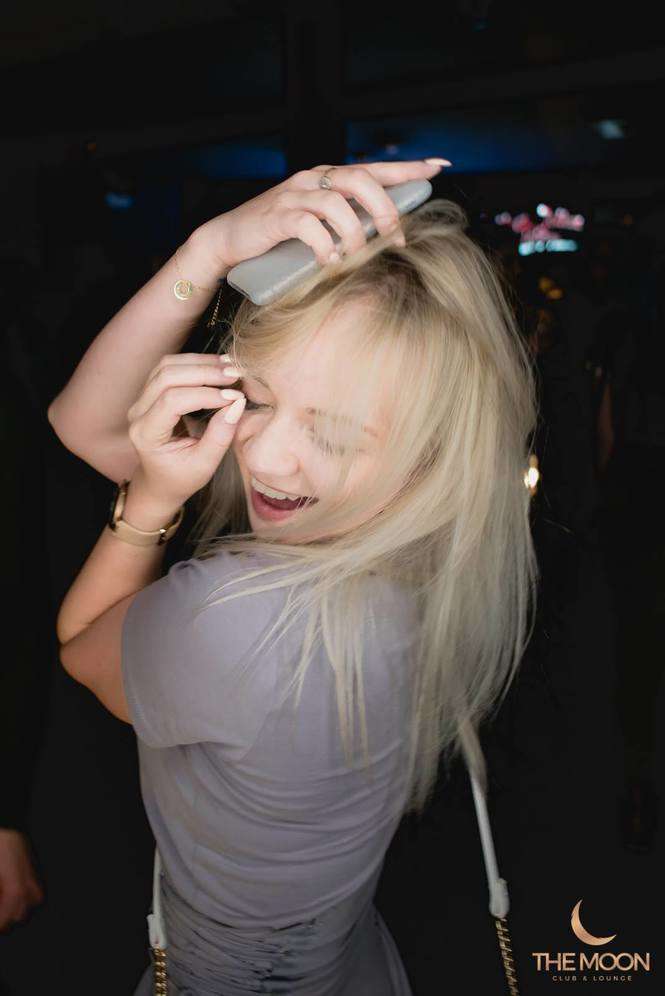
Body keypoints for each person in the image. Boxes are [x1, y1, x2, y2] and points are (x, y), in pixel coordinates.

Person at [48, 159, 538, 996]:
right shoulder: (433, 540)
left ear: (425, 452)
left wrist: (152, 502)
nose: (267, 456)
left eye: (334, 434)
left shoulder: (242, 621)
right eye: (258, 396)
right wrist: (208, 252)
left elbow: (80, 646)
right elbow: (87, 425)